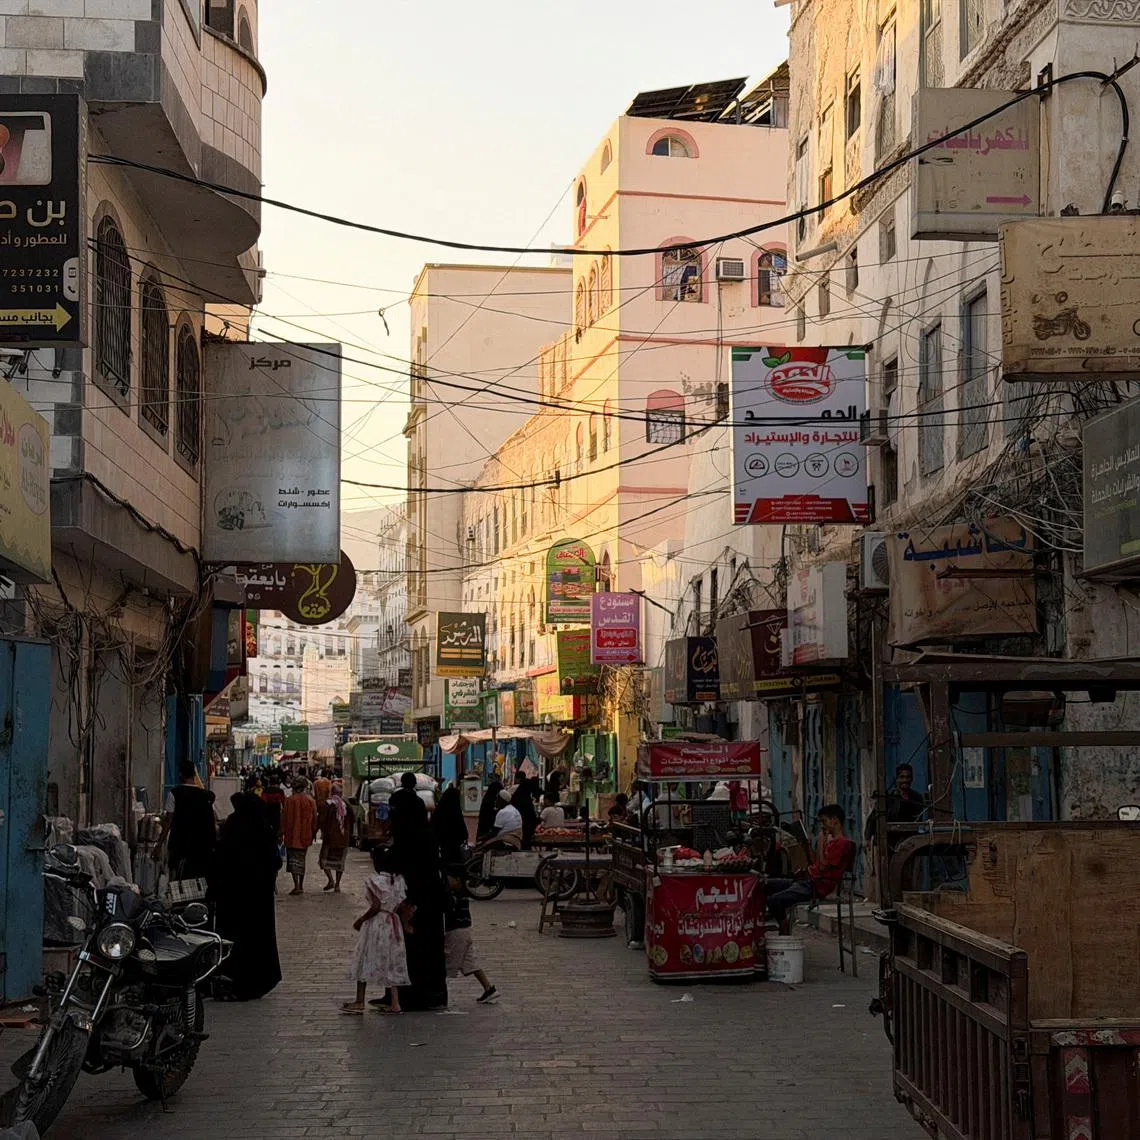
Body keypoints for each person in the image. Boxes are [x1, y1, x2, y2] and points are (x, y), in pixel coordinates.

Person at [209, 793, 282, 1001]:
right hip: (259, 898)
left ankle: (234, 982)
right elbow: (274, 861)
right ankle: (257, 982)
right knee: (258, 939)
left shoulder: (234, 825)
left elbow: (223, 857)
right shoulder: (264, 828)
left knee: (235, 938)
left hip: (234, 896)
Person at [389, 804, 449, 1011]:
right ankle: (429, 993)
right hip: (430, 902)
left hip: (416, 903)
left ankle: (414, 995)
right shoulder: (428, 835)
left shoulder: (410, 839)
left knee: (415, 950)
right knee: (428, 950)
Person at [765, 804, 857, 933]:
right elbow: (817, 864)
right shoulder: (832, 842)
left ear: (834, 820)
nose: (822, 825)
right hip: (807, 881)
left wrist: (821, 843)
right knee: (765, 884)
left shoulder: (842, 844)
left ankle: (784, 928)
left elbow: (824, 866)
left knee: (774, 900)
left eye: (824, 821)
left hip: (814, 886)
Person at [342, 847, 411, 1015]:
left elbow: (376, 906)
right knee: (391, 960)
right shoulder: (399, 881)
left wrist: (360, 920)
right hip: (392, 923)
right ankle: (395, 1003)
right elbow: (402, 905)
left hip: (377, 923)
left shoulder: (375, 881)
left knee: (364, 957)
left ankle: (360, 1000)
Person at [444, 870, 498, 1004]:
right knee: (470, 963)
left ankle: (437, 995)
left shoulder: (454, 895)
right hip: (465, 932)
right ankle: (489, 988)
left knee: (446, 964)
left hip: (456, 932)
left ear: (457, 879)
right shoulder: (462, 894)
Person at [158, 759, 217, 880]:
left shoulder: (174, 794)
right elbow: (211, 822)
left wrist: (159, 845)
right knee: (197, 884)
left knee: (177, 882)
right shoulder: (205, 796)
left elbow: (168, 822)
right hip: (200, 848)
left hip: (179, 847)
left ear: (180, 774)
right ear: (194, 775)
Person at [281, 777, 318, 895]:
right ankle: (300, 885)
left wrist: (281, 832)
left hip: (291, 835)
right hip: (305, 835)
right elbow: (314, 820)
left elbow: (284, 818)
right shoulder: (310, 801)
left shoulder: (289, 801)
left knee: (293, 861)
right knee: (302, 860)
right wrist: (313, 832)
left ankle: (296, 885)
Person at [318, 782, 354, 893]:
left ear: (332, 792)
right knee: (340, 862)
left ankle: (331, 880)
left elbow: (321, 820)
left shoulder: (327, 804)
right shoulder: (346, 805)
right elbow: (353, 820)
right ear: (341, 793)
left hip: (329, 838)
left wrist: (321, 831)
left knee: (323, 860)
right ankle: (337, 885)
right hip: (343, 839)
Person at [431, 785, 469, 866]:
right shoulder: (456, 812)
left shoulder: (438, 812)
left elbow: (433, 830)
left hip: (442, 850)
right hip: (455, 852)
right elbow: (464, 833)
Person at [510, 781, 538, 849]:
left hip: (516, 826)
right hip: (526, 828)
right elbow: (531, 815)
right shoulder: (527, 800)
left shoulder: (515, 798)